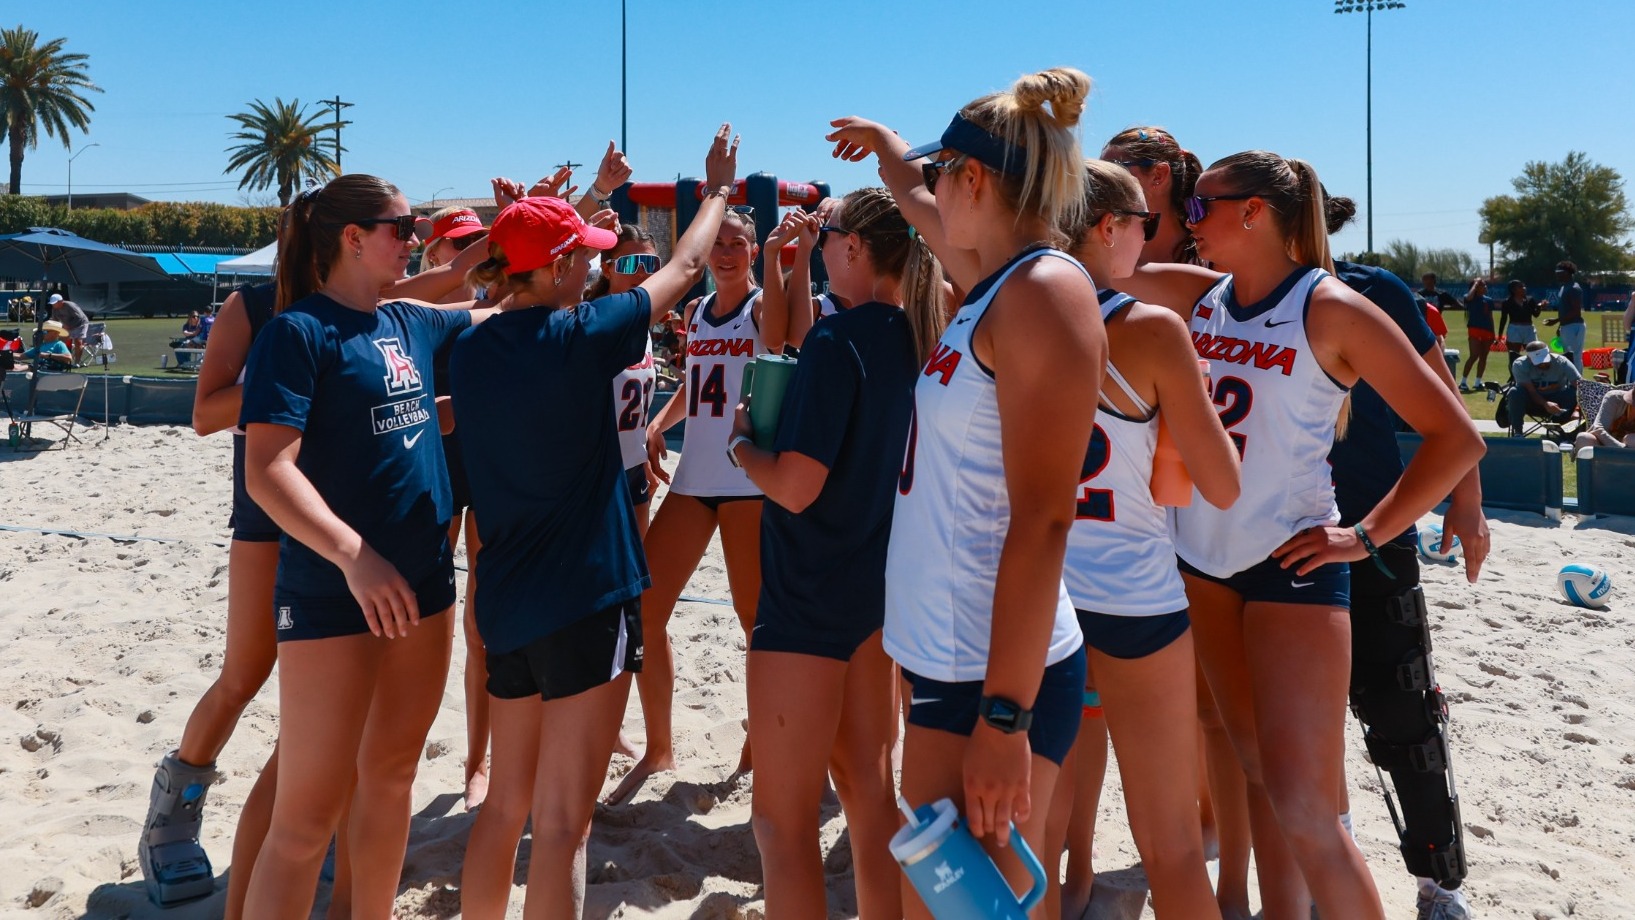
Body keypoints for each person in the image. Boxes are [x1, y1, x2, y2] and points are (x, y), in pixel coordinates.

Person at [1118, 151, 1484, 920]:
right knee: (1257, 772)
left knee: (1307, 809)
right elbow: (1071, 264)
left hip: (1290, 567)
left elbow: (1455, 438)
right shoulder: (1198, 296)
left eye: (1198, 208)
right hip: (1202, 566)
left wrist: (1366, 534)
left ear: (1253, 211)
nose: (1182, 222)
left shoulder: (1332, 308)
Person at [828, 65, 1107, 913]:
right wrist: (885, 155)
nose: (930, 193)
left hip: (990, 680)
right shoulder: (995, 282)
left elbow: (1045, 522)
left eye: (941, 172)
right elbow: (916, 204)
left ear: (975, 178)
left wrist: (1005, 719)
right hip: (954, 665)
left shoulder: (1042, 293)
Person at [450, 127, 736, 918]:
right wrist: (714, 191)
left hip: (504, 598)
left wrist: (558, 211)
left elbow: (507, 281)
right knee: (563, 824)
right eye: (578, 254)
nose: (590, 262)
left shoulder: (471, 347)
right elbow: (682, 269)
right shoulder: (585, 336)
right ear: (550, 268)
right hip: (584, 597)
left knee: (504, 808)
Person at [236, 174, 494, 919]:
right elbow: (266, 470)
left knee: (390, 780)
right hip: (333, 590)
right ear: (353, 238)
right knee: (307, 818)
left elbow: (499, 298)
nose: (414, 239)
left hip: (423, 579)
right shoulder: (299, 332)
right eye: (402, 226)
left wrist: (558, 221)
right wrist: (354, 556)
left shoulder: (408, 319)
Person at [732, 187, 944, 919]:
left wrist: (741, 447)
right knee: (865, 791)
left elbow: (794, 487)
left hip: (809, 594)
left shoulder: (838, 339)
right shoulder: (926, 336)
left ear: (855, 248)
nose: (819, 248)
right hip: (878, 590)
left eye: (825, 236)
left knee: (780, 824)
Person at [1047, 159, 1240, 920]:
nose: (1150, 243)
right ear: (1108, 228)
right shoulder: (1150, 328)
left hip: (1041, 594)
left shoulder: (1000, 313)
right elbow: (1219, 485)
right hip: (1132, 594)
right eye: (1143, 227)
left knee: (1035, 837)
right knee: (1168, 844)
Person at [1101, 125, 1252, 920]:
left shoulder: (1194, 269)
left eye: (1127, 167)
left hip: (1188, 493)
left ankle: (1224, 867)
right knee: (1162, 711)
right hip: (1132, 496)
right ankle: (1189, 842)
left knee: (1212, 711)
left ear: (1157, 176)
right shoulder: (1114, 255)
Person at [1327, 202, 1484, 920]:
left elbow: (1444, 404)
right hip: (1261, 539)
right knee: (1295, 729)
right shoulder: (1210, 290)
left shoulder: (1372, 290)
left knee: (1402, 713)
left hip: (1372, 524)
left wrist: (1467, 503)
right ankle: (1327, 868)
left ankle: (1436, 882)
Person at [610, 191, 793, 803]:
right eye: (718, 244)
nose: (725, 252)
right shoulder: (699, 313)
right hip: (695, 478)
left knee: (754, 624)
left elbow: (775, 344)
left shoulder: (766, 302)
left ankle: (759, 745)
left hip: (746, 481)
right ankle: (658, 748)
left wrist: (770, 255)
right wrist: (661, 421)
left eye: (735, 243)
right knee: (644, 608)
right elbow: (695, 386)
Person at [138, 278, 288, 916]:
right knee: (245, 673)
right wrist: (307, 368)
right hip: (267, 516)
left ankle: (314, 814)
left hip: (354, 517)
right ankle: (171, 818)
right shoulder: (253, 305)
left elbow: (468, 286)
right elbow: (205, 413)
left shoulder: (376, 300)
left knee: (337, 691)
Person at [419, 204, 494, 809]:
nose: (469, 252)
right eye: (458, 244)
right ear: (434, 252)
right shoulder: (415, 311)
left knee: (481, 628)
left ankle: (476, 764)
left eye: (478, 242)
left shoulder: (489, 300)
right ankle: (399, 751)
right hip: (434, 472)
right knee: (422, 624)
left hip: (486, 467)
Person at [1100, 126, 1205, 265]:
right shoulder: (1100, 250)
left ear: (1158, 175)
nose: (1101, 180)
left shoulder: (1211, 257)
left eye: (1114, 169)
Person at [1506, 340, 1581, 436]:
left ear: (1549, 353)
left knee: (1572, 392)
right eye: (1538, 362)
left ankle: (1567, 434)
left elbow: (1580, 386)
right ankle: (1518, 432)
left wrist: (1577, 410)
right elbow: (1531, 391)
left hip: (1558, 400)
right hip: (1531, 400)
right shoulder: (1520, 365)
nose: (1543, 364)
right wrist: (1545, 404)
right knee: (1514, 392)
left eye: (1545, 360)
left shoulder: (1561, 361)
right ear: (1529, 358)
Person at [1544, 260, 1586, 371]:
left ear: (1566, 273)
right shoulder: (1564, 287)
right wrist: (1560, 325)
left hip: (1574, 326)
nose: (1556, 274)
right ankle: (1572, 380)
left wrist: (1556, 320)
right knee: (1568, 355)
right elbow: (1565, 310)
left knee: (1575, 356)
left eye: (1559, 271)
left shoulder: (1573, 288)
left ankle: (1577, 382)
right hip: (1567, 326)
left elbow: (1576, 311)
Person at [1574, 386, 1635, 455]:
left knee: (1631, 440)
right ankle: (1587, 465)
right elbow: (1598, 428)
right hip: (1606, 445)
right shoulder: (1614, 398)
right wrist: (1621, 448)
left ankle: (1627, 465)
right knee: (1583, 438)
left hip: (1629, 452)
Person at [1461, 279, 1496, 391]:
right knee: (1474, 355)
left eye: (1485, 285)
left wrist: (1493, 333)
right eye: (1482, 285)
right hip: (1475, 329)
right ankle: (1463, 382)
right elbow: (1468, 297)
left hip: (1487, 330)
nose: (1485, 287)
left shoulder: (1488, 300)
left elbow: (1490, 317)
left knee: (1484, 356)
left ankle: (1477, 382)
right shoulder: (1470, 298)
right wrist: (1475, 284)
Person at [1496, 280, 1542, 362]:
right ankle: (1514, 374)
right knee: (1514, 356)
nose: (1524, 288)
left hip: (1529, 329)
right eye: (1520, 287)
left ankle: (1532, 374)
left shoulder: (1530, 300)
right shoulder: (1507, 302)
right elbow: (1503, 319)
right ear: (1513, 290)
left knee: (1534, 354)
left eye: (1524, 286)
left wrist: (1539, 307)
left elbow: (1536, 315)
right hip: (1514, 329)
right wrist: (1499, 336)